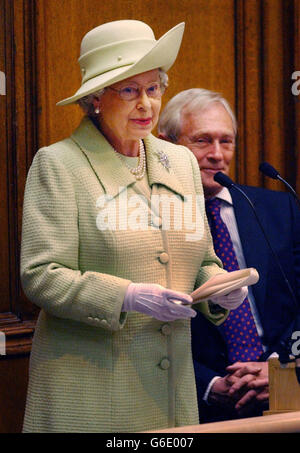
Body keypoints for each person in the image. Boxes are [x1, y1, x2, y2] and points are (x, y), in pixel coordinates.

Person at [20, 22, 247, 433]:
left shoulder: (179, 162)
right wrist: (125, 296)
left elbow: (203, 261)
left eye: (153, 89)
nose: (146, 104)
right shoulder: (59, 165)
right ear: (94, 100)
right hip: (92, 392)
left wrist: (220, 290)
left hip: (172, 395)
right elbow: (40, 276)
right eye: (129, 91)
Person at [158, 88, 300, 422]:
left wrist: (278, 368)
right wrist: (209, 385)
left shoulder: (278, 209)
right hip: (193, 402)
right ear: (165, 145)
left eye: (227, 141)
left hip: (285, 385)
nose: (217, 155)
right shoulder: (145, 221)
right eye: (203, 141)